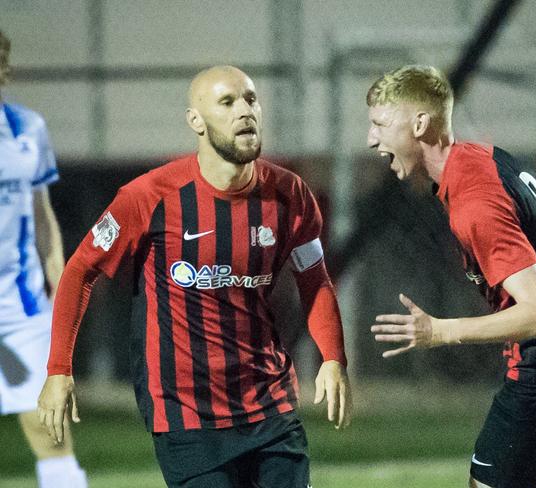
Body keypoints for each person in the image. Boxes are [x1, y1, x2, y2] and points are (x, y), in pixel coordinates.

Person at [38, 65, 352, 487]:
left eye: (251, 99)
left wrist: (333, 358)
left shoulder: (290, 194)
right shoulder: (148, 198)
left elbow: (314, 279)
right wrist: (59, 370)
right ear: (196, 121)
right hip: (186, 412)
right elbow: (80, 271)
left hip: (269, 403)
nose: (245, 111)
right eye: (227, 102)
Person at [366, 64, 536, 488]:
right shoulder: (485, 158)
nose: (372, 139)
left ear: (419, 124)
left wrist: (440, 331)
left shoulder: (474, 202)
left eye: (380, 124)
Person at [0, 30, 87, 487]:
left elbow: (42, 216)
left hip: (21, 303)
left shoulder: (27, 129)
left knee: (47, 424)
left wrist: (61, 280)